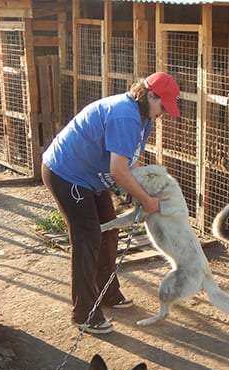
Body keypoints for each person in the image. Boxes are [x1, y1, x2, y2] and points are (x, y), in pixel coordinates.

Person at [41, 72, 180, 334]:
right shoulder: (125, 115)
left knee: (109, 228)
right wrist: (146, 200)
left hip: (92, 177)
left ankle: (107, 293)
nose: (163, 113)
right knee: (88, 237)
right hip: (66, 173)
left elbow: (132, 161)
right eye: (163, 106)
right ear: (151, 95)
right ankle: (84, 313)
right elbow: (118, 171)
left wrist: (144, 191)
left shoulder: (144, 117)